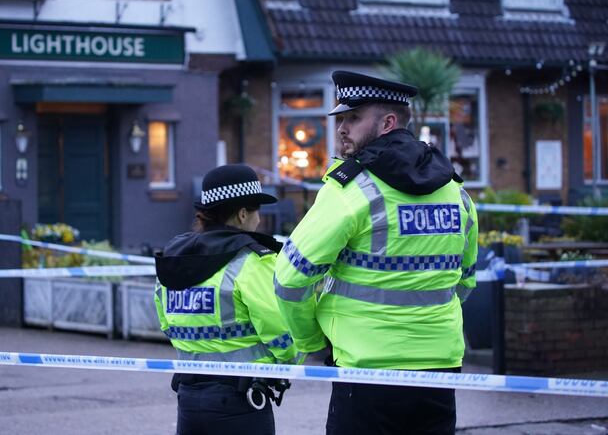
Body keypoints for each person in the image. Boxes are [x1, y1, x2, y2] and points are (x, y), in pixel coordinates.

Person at [273, 71, 479, 435]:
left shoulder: (351, 190)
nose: (341, 128)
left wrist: (312, 342)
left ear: (387, 122)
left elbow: (290, 278)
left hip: (365, 369)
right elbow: (465, 279)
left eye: (353, 118)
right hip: (439, 366)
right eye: (341, 118)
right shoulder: (455, 192)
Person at [154, 164, 300, 435]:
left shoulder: (176, 259)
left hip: (188, 395)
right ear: (243, 214)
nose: (259, 220)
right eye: (257, 211)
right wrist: (288, 364)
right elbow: (283, 332)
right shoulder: (251, 262)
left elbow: (166, 323)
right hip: (239, 401)